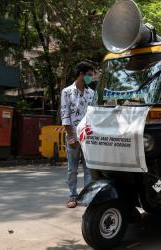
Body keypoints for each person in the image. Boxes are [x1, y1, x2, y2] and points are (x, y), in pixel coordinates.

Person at [61, 61, 95, 208]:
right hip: (73, 134)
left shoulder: (92, 93)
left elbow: (94, 115)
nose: (90, 78)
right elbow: (65, 114)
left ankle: (87, 197)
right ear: (81, 74)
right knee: (72, 168)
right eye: (89, 75)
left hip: (88, 136)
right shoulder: (67, 92)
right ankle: (72, 196)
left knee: (89, 168)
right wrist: (70, 137)